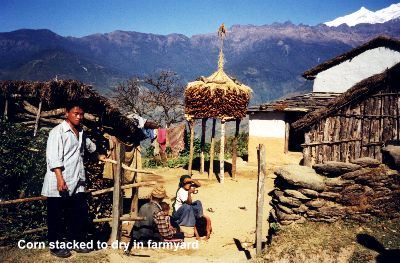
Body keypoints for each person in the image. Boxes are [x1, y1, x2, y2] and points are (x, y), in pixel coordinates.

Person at [41, 100, 104, 258]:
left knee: (78, 213)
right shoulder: (58, 132)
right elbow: (53, 157)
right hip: (60, 180)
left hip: (77, 180)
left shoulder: (81, 132)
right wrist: (60, 179)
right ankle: (55, 247)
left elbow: (90, 147)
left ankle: (77, 242)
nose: (79, 117)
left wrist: (99, 155)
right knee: (56, 215)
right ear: (66, 113)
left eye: (81, 114)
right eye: (75, 113)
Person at [127, 184, 168, 253]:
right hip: (150, 242)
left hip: (138, 240)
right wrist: (174, 231)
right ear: (162, 199)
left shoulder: (142, 207)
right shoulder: (158, 212)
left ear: (152, 196)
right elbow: (165, 233)